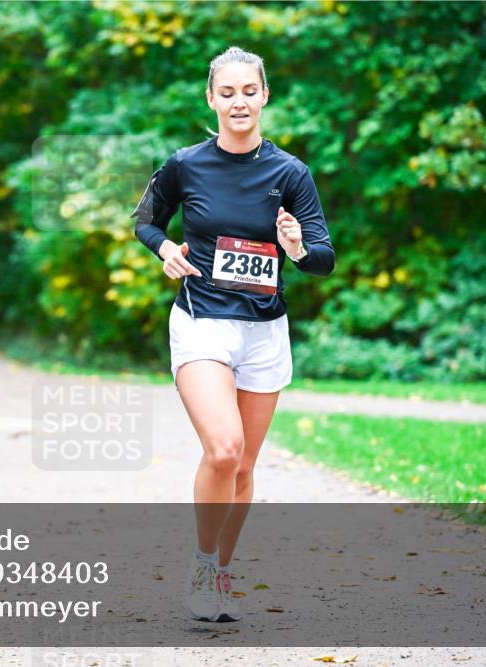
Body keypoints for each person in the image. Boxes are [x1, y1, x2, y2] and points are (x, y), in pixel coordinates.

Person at [131, 46, 335, 623]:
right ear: (211, 99)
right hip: (201, 322)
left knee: (243, 467)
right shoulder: (185, 164)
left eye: (249, 91)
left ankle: (221, 572)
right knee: (222, 449)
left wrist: (296, 248)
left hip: (265, 332)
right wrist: (165, 247)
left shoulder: (291, 173)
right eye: (228, 92)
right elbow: (144, 218)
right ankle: (200, 564)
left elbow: (323, 258)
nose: (239, 101)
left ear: (264, 95)